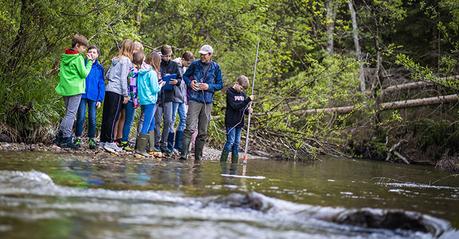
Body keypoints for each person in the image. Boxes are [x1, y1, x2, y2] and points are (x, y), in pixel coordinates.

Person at [180, 44, 223, 161]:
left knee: (203, 131)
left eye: (204, 55)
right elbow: (185, 76)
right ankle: (183, 155)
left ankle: (198, 158)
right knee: (189, 128)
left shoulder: (216, 67)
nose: (202, 56)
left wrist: (208, 86)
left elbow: (220, 85)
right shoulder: (195, 64)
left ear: (210, 55)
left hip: (207, 102)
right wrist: (191, 83)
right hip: (194, 99)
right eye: (201, 54)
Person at [55, 34, 94, 149]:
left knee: (68, 113)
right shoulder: (78, 58)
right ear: (77, 46)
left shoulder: (65, 56)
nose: (84, 50)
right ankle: (66, 138)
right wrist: (90, 62)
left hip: (66, 88)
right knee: (71, 114)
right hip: (76, 89)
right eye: (83, 48)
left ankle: (60, 137)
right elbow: (84, 74)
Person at [100, 39, 134, 153]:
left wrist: (113, 80)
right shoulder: (126, 61)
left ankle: (102, 141)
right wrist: (125, 94)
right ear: (130, 49)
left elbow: (108, 75)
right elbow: (124, 78)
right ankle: (109, 142)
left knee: (106, 116)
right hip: (117, 91)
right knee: (113, 117)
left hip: (109, 89)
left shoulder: (115, 59)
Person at [74, 45, 105, 149]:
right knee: (81, 116)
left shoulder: (100, 68)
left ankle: (91, 139)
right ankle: (77, 137)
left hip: (94, 96)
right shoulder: (82, 63)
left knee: (92, 118)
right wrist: (88, 61)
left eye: (94, 52)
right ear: (87, 53)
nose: (92, 54)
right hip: (82, 94)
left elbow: (101, 84)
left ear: (98, 55)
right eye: (90, 52)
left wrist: (100, 99)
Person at [115, 41, 144, 146]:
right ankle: (119, 139)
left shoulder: (135, 67)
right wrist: (135, 100)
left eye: (138, 49)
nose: (135, 51)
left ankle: (120, 138)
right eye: (134, 49)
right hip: (127, 95)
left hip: (127, 95)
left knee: (124, 117)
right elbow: (132, 86)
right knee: (122, 117)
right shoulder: (129, 64)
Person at [219, 75, 254, 164]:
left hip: (239, 122)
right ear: (237, 83)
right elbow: (235, 106)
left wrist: (248, 110)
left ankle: (234, 163)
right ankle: (222, 162)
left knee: (237, 142)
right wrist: (247, 100)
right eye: (241, 88)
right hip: (231, 121)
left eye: (243, 89)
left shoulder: (243, 94)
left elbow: (242, 108)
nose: (242, 91)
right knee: (230, 141)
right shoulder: (230, 92)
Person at [154, 45, 182, 154]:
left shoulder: (174, 65)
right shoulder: (158, 63)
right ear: (162, 55)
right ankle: (156, 142)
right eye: (166, 56)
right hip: (159, 96)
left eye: (170, 56)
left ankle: (164, 143)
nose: (168, 58)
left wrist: (177, 82)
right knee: (157, 120)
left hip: (169, 96)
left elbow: (180, 78)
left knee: (169, 121)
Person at [136, 51, 163, 157]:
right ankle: (140, 149)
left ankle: (151, 148)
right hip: (150, 100)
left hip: (143, 99)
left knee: (151, 122)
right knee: (147, 123)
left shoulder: (141, 71)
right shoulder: (151, 73)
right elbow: (155, 89)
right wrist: (161, 85)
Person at [169, 51, 195, 153]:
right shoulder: (175, 65)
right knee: (172, 119)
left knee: (184, 119)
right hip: (175, 96)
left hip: (182, 97)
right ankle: (170, 145)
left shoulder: (185, 68)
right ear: (183, 59)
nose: (188, 65)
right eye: (188, 63)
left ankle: (178, 145)